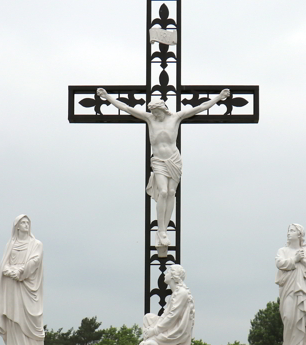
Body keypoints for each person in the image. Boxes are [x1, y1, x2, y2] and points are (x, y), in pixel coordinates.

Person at [96, 87, 230, 246]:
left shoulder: (176, 117)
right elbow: (126, 108)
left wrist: (219, 97)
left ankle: (165, 229)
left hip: (174, 159)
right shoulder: (149, 119)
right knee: (163, 192)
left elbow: (201, 107)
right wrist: (107, 97)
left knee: (172, 192)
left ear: (163, 110)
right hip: (159, 161)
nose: (155, 115)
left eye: (157, 112)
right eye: (153, 113)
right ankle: (161, 230)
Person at [0, 215, 51, 345]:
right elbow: (4, 264)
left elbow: (35, 261)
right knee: (14, 315)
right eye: (23, 222)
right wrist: (8, 270)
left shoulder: (36, 244)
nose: (26, 225)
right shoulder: (10, 245)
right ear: (17, 226)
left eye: (28, 222)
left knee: (32, 316)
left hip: (28, 284)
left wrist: (20, 272)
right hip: (12, 285)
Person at [133, 264, 195, 345]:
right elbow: (165, 315)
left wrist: (154, 330)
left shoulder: (181, 293)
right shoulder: (175, 293)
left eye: (168, 272)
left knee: (147, 344)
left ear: (173, 276)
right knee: (148, 317)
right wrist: (154, 327)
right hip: (168, 326)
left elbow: (172, 317)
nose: (165, 275)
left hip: (175, 332)